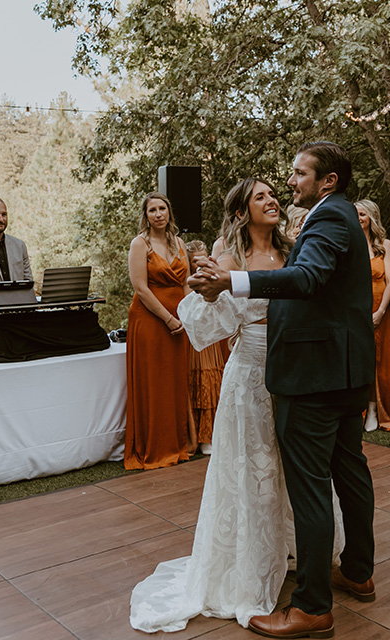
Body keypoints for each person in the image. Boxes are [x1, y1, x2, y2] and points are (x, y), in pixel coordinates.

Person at [189, 142, 376, 639]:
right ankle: (357, 570)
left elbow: (309, 279)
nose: (290, 183)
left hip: (315, 376)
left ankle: (313, 607)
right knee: (348, 468)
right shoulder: (329, 218)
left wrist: (231, 279)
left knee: (310, 486)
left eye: (298, 174)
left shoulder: (328, 219)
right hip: (341, 370)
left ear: (328, 180)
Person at [129, 177, 302, 632]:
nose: (272, 200)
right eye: (260, 196)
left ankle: (295, 546)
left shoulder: (293, 249)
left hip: (295, 371)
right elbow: (206, 324)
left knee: (293, 464)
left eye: (273, 194)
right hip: (249, 372)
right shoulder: (230, 257)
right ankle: (251, 568)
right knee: (253, 466)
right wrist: (207, 292)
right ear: (243, 210)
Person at [124, 192, 194, 470]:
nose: (158, 214)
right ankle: (155, 448)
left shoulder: (179, 242)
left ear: (169, 212)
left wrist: (188, 315)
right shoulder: (139, 244)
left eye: (162, 208)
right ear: (146, 215)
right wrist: (168, 319)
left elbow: (186, 282)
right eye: (152, 210)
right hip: (152, 321)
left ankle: (177, 445)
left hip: (180, 321)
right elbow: (140, 288)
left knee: (175, 382)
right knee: (154, 383)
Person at [356, 200, 390, 432]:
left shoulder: (385, 244)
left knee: (379, 361)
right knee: (360, 360)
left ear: (371, 216)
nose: (358, 217)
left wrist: (381, 311)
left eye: (362, 213)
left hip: (379, 309)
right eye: (355, 214)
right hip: (355, 311)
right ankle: (360, 409)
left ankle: (376, 408)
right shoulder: (348, 244)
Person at [184, 240, 226, 457]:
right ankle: (199, 436)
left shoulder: (214, 276)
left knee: (213, 380)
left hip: (212, 336)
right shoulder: (187, 282)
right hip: (194, 339)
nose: (200, 263)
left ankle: (211, 434)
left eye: (204, 257)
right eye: (194, 260)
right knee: (198, 381)